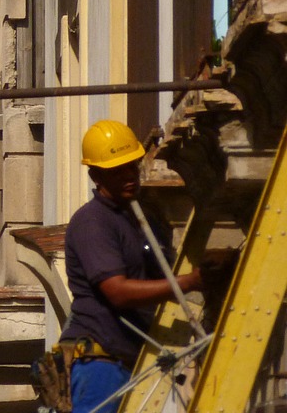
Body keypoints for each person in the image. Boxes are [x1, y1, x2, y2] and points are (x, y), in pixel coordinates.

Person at [60, 120, 203, 413]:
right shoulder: (93, 222)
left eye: (132, 166)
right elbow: (117, 291)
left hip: (126, 360)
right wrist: (189, 283)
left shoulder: (132, 219)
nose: (129, 176)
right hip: (100, 364)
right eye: (117, 171)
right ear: (96, 175)